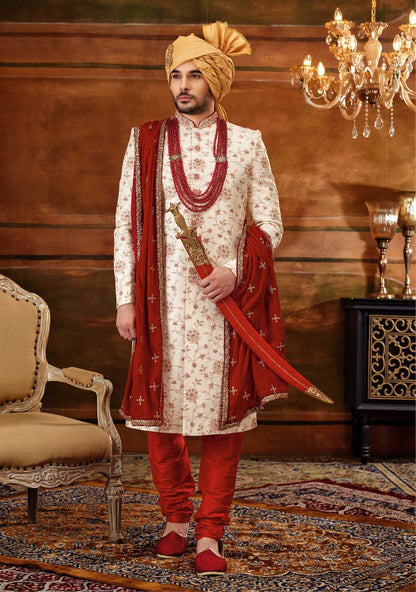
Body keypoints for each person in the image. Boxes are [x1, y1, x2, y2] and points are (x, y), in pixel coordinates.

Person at [114, 21, 287, 576]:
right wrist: (125, 300)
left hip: (224, 307)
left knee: (222, 421)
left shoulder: (247, 143)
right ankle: (175, 520)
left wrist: (236, 272)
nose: (182, 85)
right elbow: (125, 225)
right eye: (175, 75)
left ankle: (211, 532)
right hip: (160, 304)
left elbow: (270, 223)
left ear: (215, 80)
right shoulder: (144, 140)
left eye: (193, 75)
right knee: (161, 419)